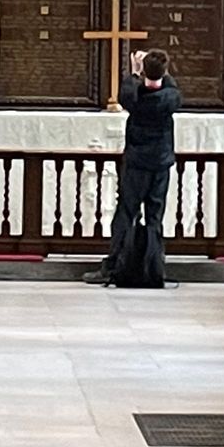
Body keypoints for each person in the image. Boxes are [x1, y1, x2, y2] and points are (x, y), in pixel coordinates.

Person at [99, 48, 180, 288]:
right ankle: (154, 267)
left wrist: (136, 71)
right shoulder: (170, 98)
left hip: (136, 164)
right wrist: (158, 69)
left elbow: (126, 91)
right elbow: (170, 85)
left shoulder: (134, 97)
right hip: (160, 163)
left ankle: (116, 265)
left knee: (127, 212)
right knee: (155, 216)